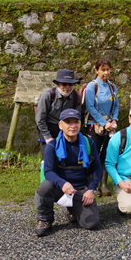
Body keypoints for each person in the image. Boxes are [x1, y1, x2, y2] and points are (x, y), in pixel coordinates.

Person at [34, 109, 101, 237]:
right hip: (59, 188)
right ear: (60, 125)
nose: (73, 126)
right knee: (45, 187)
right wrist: (62, 183)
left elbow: (97, 168)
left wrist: (91, 189)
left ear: (80, 124)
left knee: (92, 223)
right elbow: (48, 171)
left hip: (81, 189)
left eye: (76, 122)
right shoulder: (52, 146)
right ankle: (44, 219)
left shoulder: (89, 143)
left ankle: (73, 209)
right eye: (68, 122)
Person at [84, 58, 120, 197]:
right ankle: (92, 183)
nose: (106, 72)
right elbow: (90, 107)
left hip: (110, 125)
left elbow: (116, 105)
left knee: (107, 154)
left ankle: (104, 184)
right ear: (96, 70)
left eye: (108, 69)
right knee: (93, 155)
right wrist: (104, 123)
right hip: (95, 125)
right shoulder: (92, 86)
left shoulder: (112, 86)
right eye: (103, 70)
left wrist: (114, 120)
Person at [35, 69, 82, 157]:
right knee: (49, 156)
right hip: (48, 126)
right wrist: (47, 137)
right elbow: (40, 118)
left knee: (66, 157)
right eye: (64, 84)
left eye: (70, 84)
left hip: (66, 128)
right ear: (57, 84)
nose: (67, 87)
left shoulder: (77, 97)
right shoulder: (48, 95)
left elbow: (77, 118)